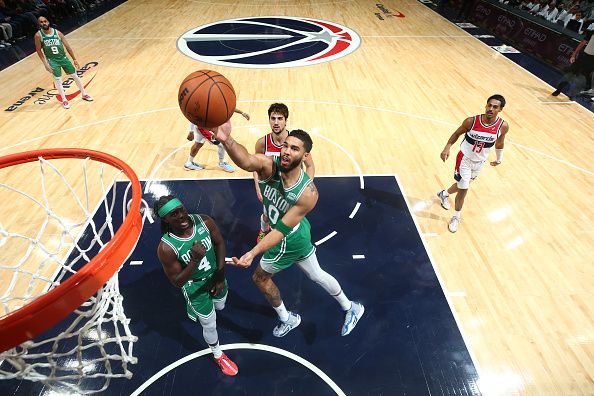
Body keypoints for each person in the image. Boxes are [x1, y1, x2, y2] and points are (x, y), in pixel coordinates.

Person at [214, 123, 364, 338]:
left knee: (259, 278)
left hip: (286, 241)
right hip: (299, 233)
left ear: (305, 156)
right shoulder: (268, 165)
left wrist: (253, 252)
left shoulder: (307, 193)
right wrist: (226, 139)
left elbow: (281, 230)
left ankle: (287, 319)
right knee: (316, 274)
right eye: (285, 146)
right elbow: (246, 160)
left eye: (294, 148)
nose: (286, 151)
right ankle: (351, 307)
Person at [154, 195, 238, 376]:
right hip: (195, 288)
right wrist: (194, 260)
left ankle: (200, 309)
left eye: (181, 210)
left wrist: (220, 275)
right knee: (209, 325)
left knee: (220, 306)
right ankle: (217, 354)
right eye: (173, 214)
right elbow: (177, 282)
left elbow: (219, 243)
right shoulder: (166, 248)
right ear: (166, 219)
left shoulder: (204, 221)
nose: (181, 216)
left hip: (216, 276)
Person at [436, 95, 509, 233]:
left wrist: (499, 158)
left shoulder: (503, 126)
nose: (491, 109)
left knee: (462, 185)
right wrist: (447, 147)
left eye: (495, 107)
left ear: (501, 109)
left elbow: (500, 143)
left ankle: (444, 193)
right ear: (486, 105)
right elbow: (456, 133)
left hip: (480, 162)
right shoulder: (471, 121)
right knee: (464, 189)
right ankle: (456, 217)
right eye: (489, 105)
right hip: (464, 159)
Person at [254, 103, 315, 242]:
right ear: (269, 119)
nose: (276, 122)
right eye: (273, 118)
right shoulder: (262, 143)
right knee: (266, 215)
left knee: (289, 221)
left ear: (286, 121)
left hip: (291, 189)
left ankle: (286, 242)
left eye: (280, 118)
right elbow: (255, 166)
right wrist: (258, 186)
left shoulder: (296, 142)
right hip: (272, 188)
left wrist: (306, 186)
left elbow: (310, 166)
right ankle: (263, 230)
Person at [34, 15, 92, 109]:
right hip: (52, 60)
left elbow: (67, 47)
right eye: (41, 22)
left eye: (45, 21)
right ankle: (64, 100)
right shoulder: (38, 35)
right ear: (39, 24)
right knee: (58, 80)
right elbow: (38, 50)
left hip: (63, 58)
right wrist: (45, 64)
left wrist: (74, 59)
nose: (44, 23)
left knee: (75, 76)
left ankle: (84, 94)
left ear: (48, 22)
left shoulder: (58, 33)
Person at [184, 108, 250, 172]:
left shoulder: (213, 102)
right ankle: (222, 163)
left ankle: (189, 163)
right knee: (221, 144)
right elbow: (193, 116)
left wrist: (242, 112)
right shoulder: (205, 103)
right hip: (204, 129)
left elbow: (228, 107)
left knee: (198, 144)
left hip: (200, 127)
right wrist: (191, 131)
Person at [552, 25, 594, 97]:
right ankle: (559, 90)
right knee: (570, 74)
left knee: (582, 78)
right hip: (583, 57)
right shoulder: (592, 32)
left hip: (592, 60)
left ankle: (572, 95)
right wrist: (574, 54)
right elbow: (582, 43)